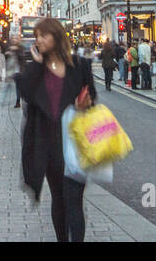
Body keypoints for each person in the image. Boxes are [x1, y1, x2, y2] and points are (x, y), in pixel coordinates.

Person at [17, 18, 97, 242]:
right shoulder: (36, 69)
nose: (39, 40)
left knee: (74, 201)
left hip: (74, 144)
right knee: (59, 200)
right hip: (49, 146)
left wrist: (86, 104)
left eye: (44, 35)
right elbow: (26, 94)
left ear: (57, 37)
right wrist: (36, 64)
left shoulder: (80, 66)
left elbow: (93, 99)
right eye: (37, 36)